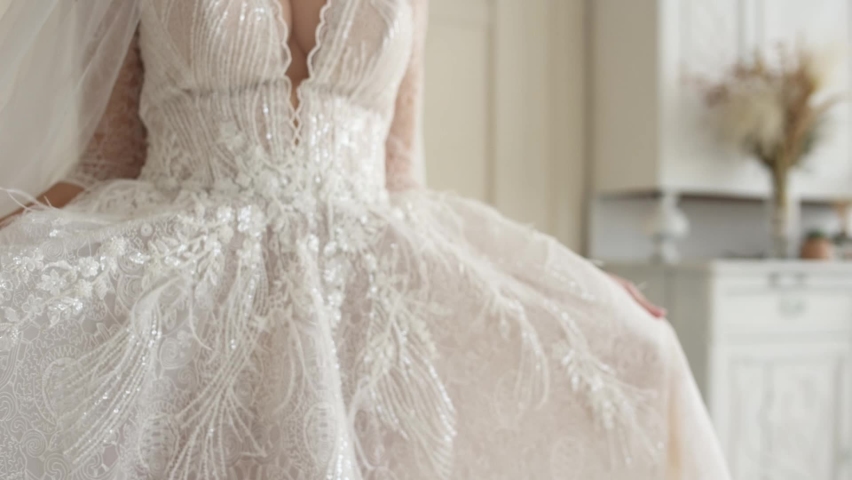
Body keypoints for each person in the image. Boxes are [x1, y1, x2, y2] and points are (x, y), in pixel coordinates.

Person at [0, 1, 729, 478]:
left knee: (640, 348)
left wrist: (592, 295)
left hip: (369, 283)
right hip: (194, 287)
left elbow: (402, 174)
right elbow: (108, 165)